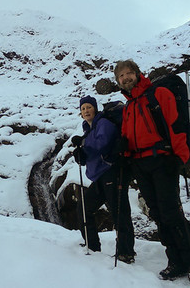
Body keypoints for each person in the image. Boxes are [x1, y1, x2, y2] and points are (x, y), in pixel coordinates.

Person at [113, 60, 190, 283]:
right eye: (121, 76)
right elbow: (127, 137)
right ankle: (175, 260)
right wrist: (123, 151)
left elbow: (175, 125)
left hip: (162, 160)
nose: (125, 78)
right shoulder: (128, 107)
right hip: (140, 165)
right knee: (157, 214)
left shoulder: (158, 94)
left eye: (128, 73)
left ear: (137, 74)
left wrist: (180, 157)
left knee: (171, 212)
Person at [72, 95, 136, 264]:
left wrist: (84, 147)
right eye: (83, 108)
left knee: (119, 211)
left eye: (89, 107)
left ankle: (126, 252)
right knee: (84, 208)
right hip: (100, 175)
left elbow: (103, 144)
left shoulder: (104, 123)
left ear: (95, 108)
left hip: (112, 171)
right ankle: (92, 246)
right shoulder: (89, 129)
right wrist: (80, 156)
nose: (86, 111)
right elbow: (92, 152)